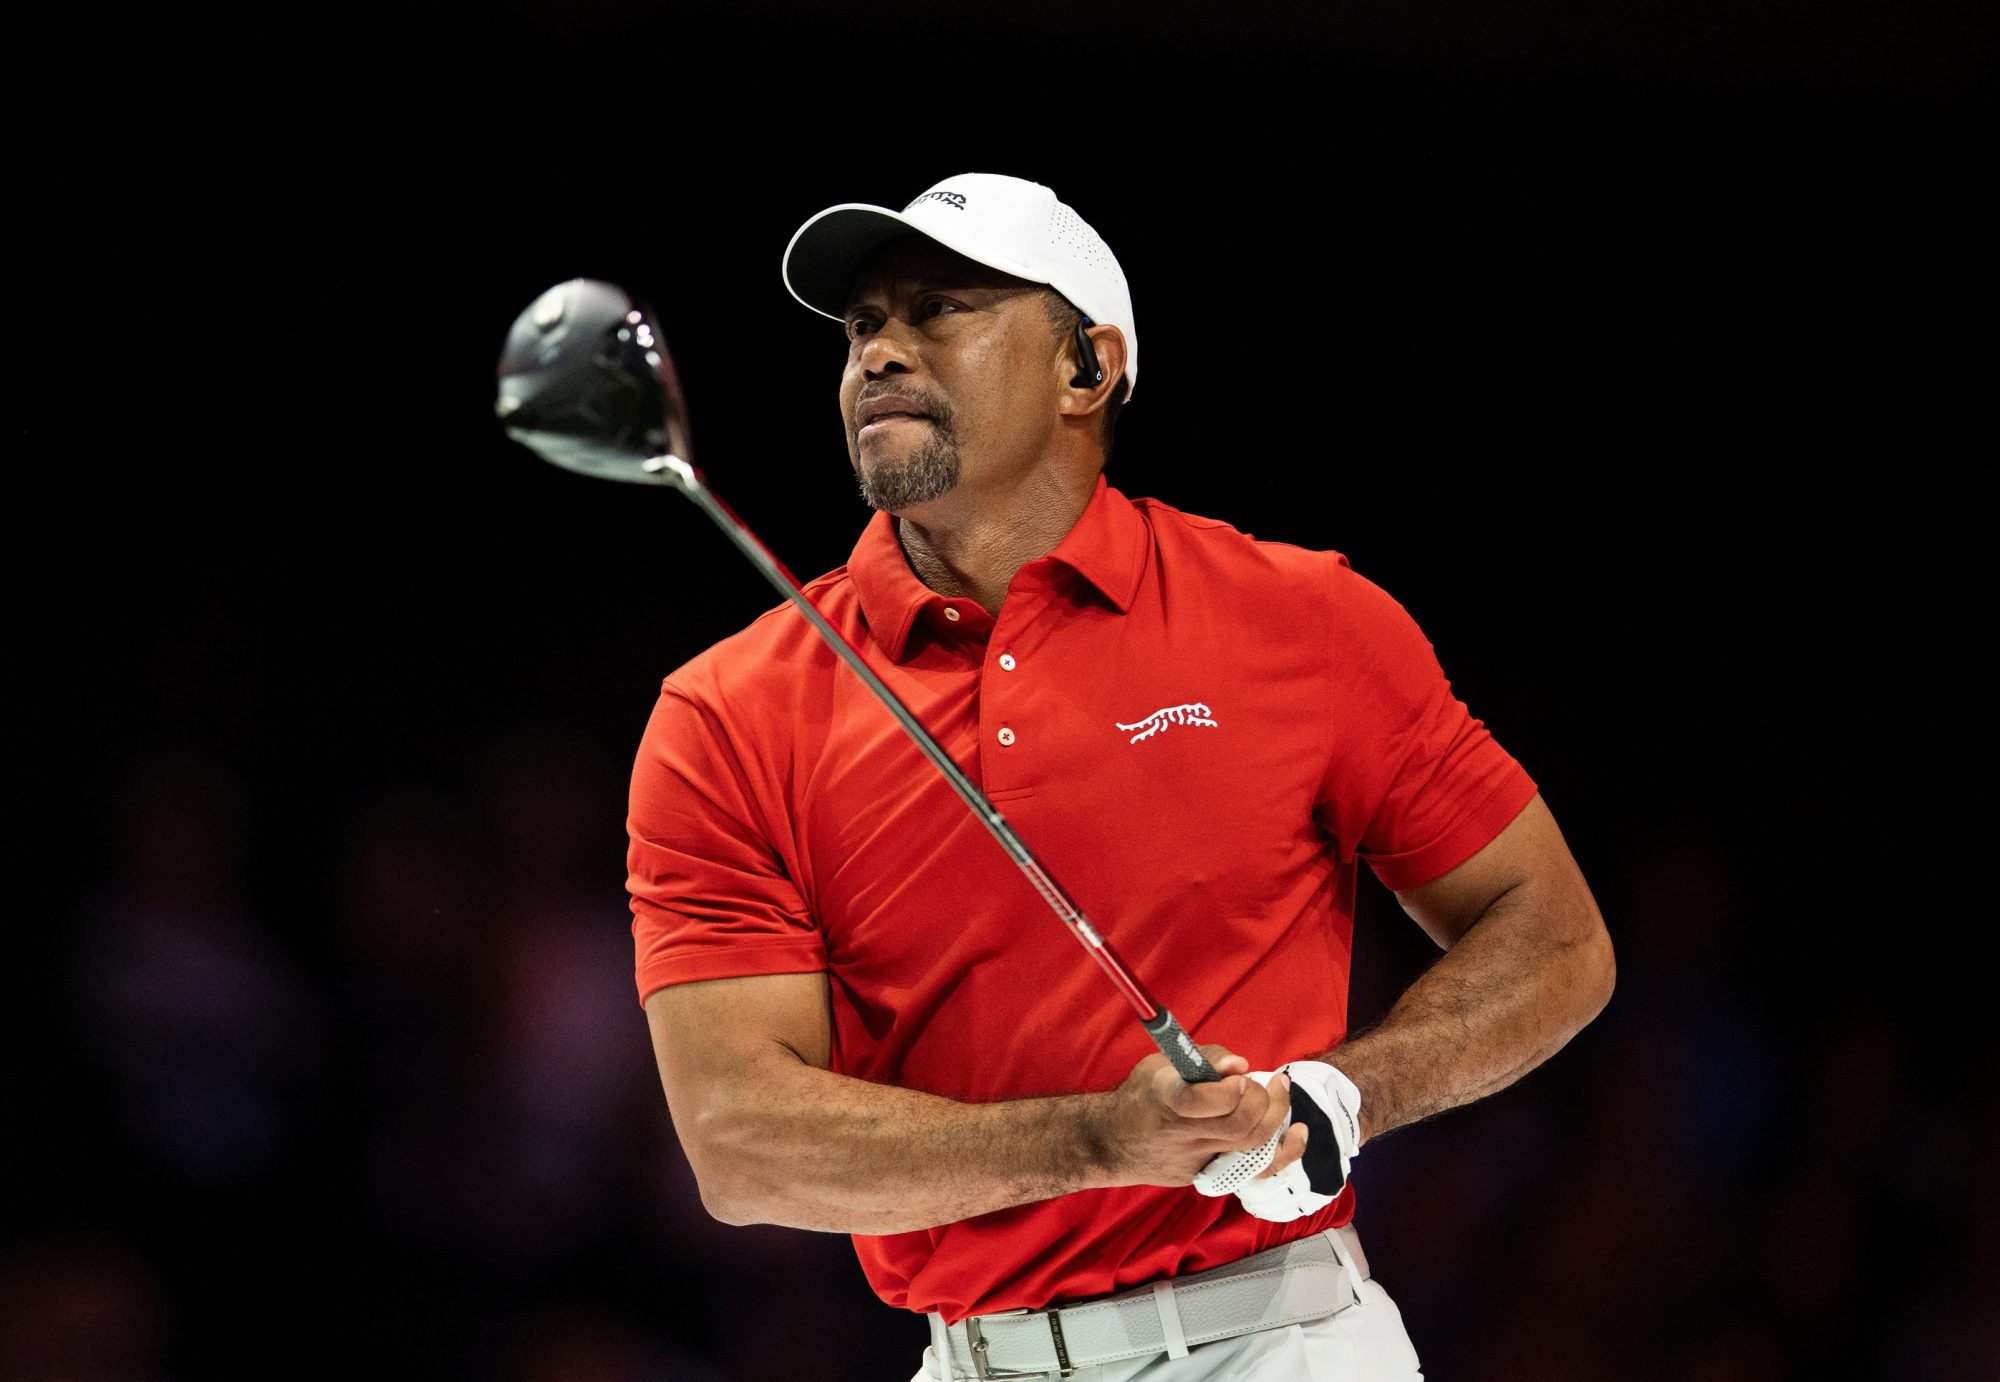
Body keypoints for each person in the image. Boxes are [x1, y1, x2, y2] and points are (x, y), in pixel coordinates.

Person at [626, 172, 1615, 1380]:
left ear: (1085, 370)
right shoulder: (728, 711)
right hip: (970, 1357)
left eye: (938, 308)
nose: (878, 351)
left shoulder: (1297, 619)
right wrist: (1103, 1139)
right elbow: (741, 1145)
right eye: (859, 328)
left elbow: (1555, 934)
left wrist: (1343, 1095)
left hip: (1283, 1344)